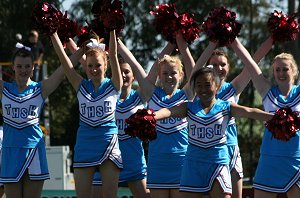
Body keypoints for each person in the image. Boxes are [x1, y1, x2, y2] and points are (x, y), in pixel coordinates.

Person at [152, 66, 274, 198]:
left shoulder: (226, 107)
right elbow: (168, 111)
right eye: (199, 85)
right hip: (193, 164)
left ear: (216, 86)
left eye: (207, 84)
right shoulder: (189, 107)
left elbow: (249, 112)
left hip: (217, 164)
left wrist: (276, 118)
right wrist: (150, 116)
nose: (203, 89)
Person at [0, 39, 79, 197]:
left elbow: (63, 70)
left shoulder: (40, 89)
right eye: (20, 66)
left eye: (27, 66)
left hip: (33, 151)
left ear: (33, 67)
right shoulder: (4, 89)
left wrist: (81, 50)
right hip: (10, 151)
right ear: (13, 67)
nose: (23, 70)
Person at [117, 33, 193, 198]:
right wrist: (118, 43)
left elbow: (193, 69)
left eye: (173, 73)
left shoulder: (187, 94)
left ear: (181, 75)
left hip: (182, 160)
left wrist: (180, 40)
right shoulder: (152, 93)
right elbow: (136, 66)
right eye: (164, 73)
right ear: (159, 75)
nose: (169, 77)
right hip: (157, 162)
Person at [50, 30, 123, 198]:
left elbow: (112, 53)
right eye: (90, 66)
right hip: (84, 144)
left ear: (106, 65)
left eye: (98, 65)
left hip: (108, 143)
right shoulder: (80, 85)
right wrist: (53, 32)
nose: (93, 69)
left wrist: (111, 27)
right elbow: (64, 60)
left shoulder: (114, 85)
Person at [230, 37, 300, 198]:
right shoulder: (267, 91)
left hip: (295, 159)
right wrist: (233, 39)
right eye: (277, 70)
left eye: (285, 69)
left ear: (294, 71)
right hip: (270, 159)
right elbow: (249, 62)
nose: (281, 73)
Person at [91, 58, 150, 198]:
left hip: (133, 162)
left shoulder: (140, 96)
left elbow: (150, 74)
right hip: (105, 161)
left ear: (134, 75)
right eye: (120, 71)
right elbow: (88, 64)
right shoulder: (106, 95)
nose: (123, 75)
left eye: (127, 72)